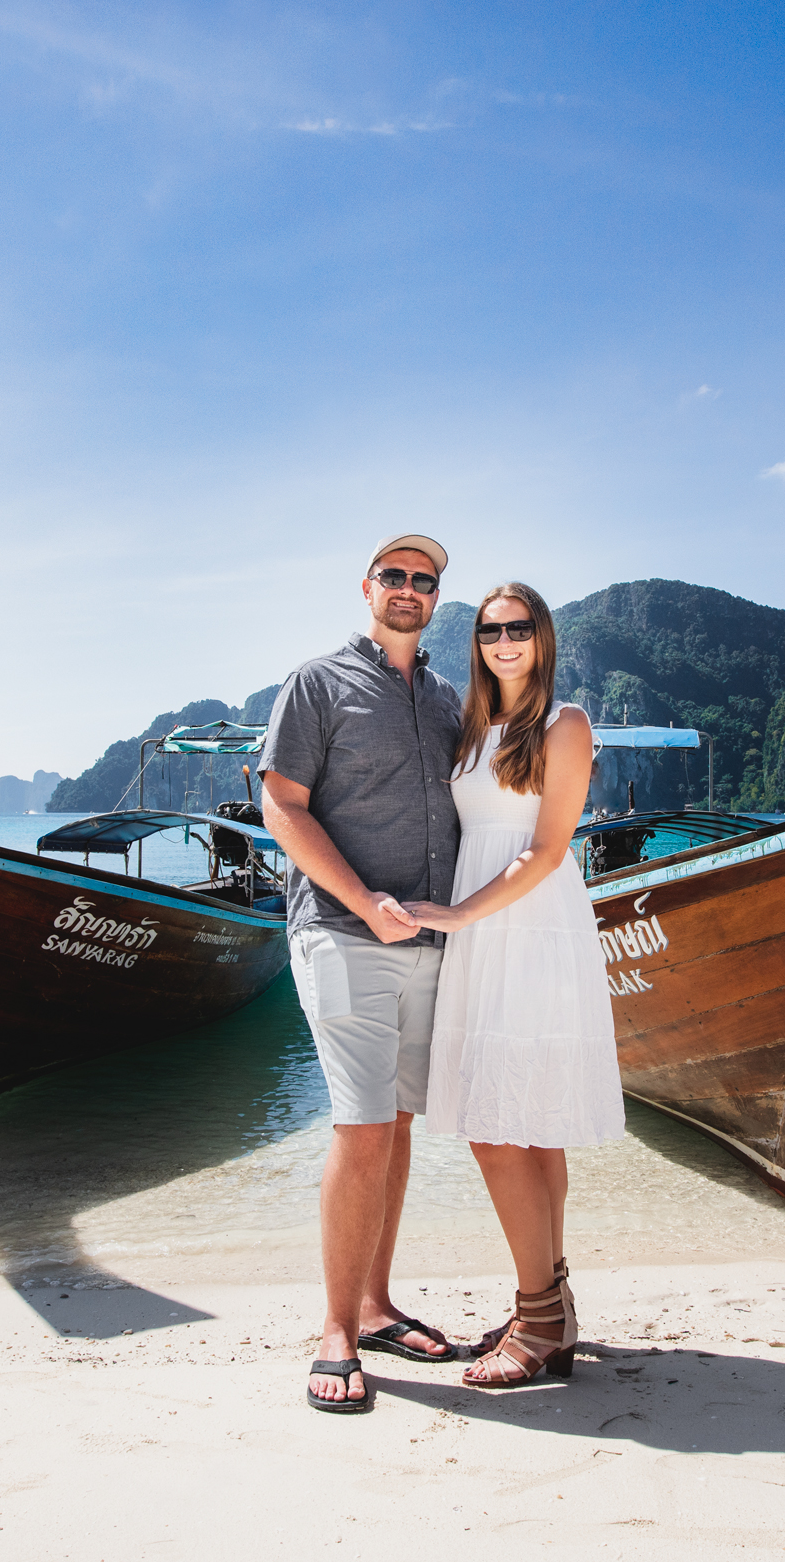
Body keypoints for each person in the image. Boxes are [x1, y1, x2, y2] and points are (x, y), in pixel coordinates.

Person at [258, 534, 466, 1413]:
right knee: (361, 1125)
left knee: (401, 1123)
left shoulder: (450, 698)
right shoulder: (316, 683)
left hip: (431, 941)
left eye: (425, 580)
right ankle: (336, 1330)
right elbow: (282, 806)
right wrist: (362, 897)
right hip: (343, 932)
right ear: (367, 586)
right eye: (396, 576)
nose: (410, 589)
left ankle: (377, 1306)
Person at [403, 581, 625, 1388]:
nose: (505, 641)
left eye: (519, 627)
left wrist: (460, 917)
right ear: (479, 641)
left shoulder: (564, 724)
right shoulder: (471, 727)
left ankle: (536, 1321)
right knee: (522, 1125)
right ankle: (552, 1308)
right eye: (492, 629)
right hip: (478, 924)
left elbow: (550, 847)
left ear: (542, 636)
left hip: (528, 926)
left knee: (503, 1122)